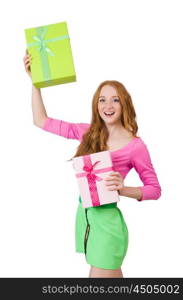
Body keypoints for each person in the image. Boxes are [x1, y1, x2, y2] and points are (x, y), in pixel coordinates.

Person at [23, 49, 161, 278]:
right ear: (96, 106)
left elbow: (155, 190)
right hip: (88, 220)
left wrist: (123, 189)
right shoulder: (87, 133)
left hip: (108, 225)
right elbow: (41, 120)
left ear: (124, 104)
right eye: (102, 100)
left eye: (115, 99)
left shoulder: (136, 146)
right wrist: (35, 82)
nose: (108, 105)